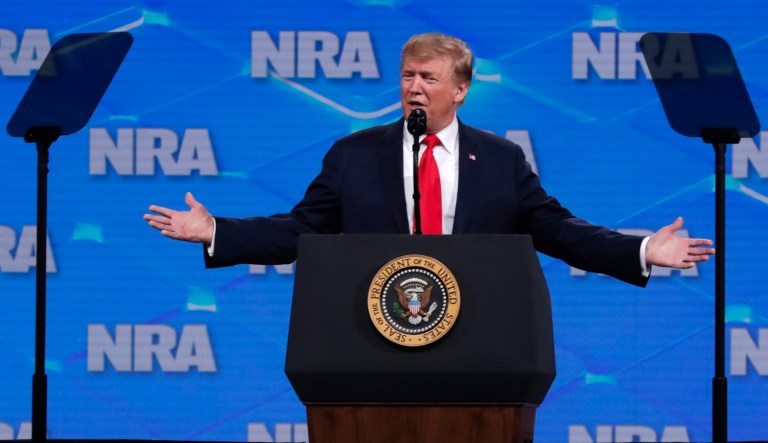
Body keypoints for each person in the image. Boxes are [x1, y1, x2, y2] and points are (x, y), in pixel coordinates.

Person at [144, 33, 714, 286]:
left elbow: (557, 230)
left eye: (429, 78)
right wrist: (216, 230)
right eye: (407, 76)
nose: (414, 87)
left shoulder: (499, 158)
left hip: (478, 333)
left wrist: (641, 249)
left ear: (460, 89)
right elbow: (303, 230)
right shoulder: (355, 154)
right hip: (373, 329)